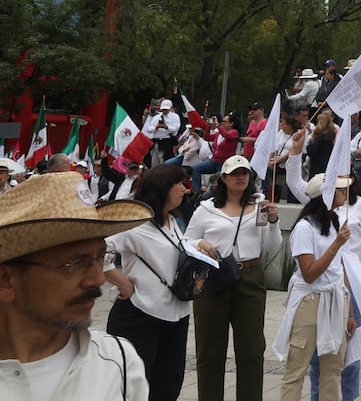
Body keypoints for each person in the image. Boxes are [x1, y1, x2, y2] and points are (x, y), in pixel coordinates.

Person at [0, 172, 152, 399]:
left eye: (101, 257)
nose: (98, 279)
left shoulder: (117, 362)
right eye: (74, 263)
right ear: (6, 280)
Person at [184, 156, 281, 401]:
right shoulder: (206, 209)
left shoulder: (259, 204)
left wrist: (273, 222)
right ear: (224, 178)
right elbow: (185, 242)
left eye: (245, 173)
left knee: (251, 349)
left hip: (249, 275)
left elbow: (272, 246)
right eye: (235, 173)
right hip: (214, 276)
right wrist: (202, 243)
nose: (240, 177)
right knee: (210, 350)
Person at [102, 165, 192, 400]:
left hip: (177, 315)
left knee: (168, 386)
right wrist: (122, 282)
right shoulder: (134, 221)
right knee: (134, 388)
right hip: (140, 316)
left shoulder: (172, 222)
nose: (185, 189)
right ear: (163, 187)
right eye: (180, 184)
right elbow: (97, 251)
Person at [274, 174, 355, 401]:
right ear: (326, 195)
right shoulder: (304, 228)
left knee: (333, 368)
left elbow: (340, 268)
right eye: (340, 190)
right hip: (310, 300)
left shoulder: (333, 222)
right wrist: (337, 244)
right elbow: (309, 273)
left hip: (335, 298)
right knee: (297, 368)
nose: (344, 194)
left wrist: (350, 311)